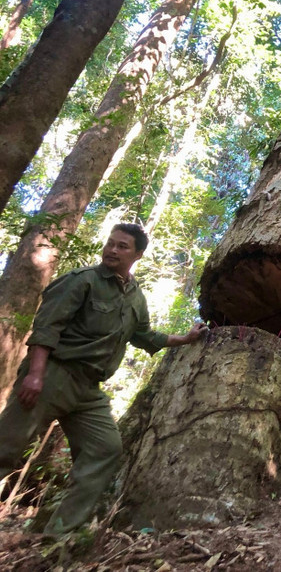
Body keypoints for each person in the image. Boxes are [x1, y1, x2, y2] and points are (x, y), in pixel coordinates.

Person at [0, 223, 208, 536]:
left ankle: (57, 536)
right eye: (110, 243)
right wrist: (35, 374)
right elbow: (47, 327)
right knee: (6, 446)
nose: (112, 250)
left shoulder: (136, 297)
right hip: (53, 374)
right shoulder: (82, 280)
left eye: (122, 246)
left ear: (138, 254)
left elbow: (143, 335)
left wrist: (185, 339)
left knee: (105, 448)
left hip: (88, 389)